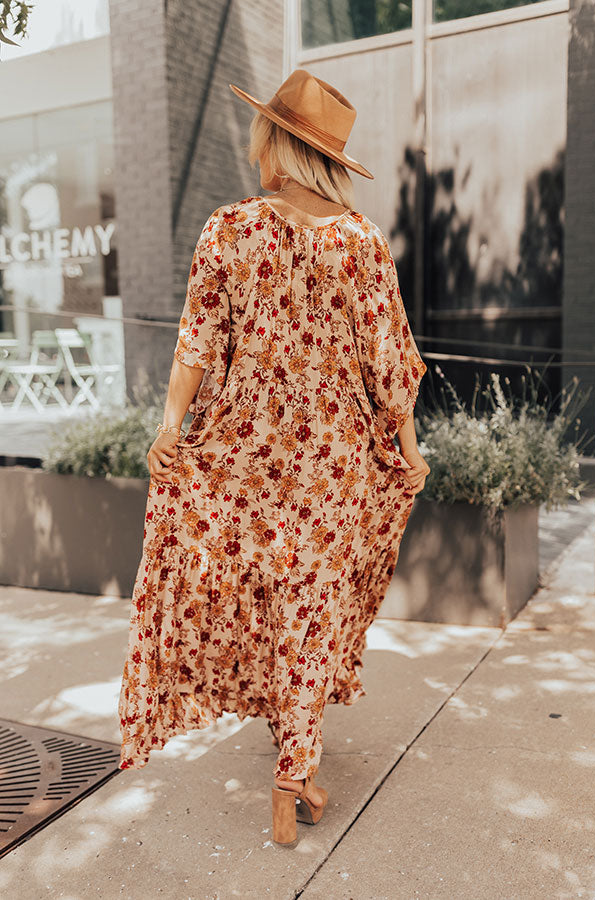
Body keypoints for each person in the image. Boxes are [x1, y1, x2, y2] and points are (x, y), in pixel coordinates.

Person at [117, 68, 429, 845]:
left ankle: (293, 761)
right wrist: (409, 449)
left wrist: (170, 426)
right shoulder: (361, 242)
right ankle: (293, 774)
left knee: (258, 597)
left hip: (244, 453)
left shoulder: (229, 228)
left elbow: (198, 339)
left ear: (276, 141)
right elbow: (390, 363)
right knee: (312, 607)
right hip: (336, 461)